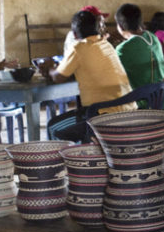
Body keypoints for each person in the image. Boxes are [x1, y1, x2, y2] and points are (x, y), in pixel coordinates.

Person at [45, 11, 136, 141]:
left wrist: (49, 69)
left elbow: (58, 77)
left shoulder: (78, 48)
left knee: (53, 127)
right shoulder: (106, 44)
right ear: (96, 29)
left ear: (75, 34)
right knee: (80, 119)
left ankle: (75, 158)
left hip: (104, 117)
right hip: (128, 111)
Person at [114, 4, 164, 110]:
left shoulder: (123, 49)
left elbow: (113, 75)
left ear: (120, 26)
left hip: (147, 106)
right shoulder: (153, 37)